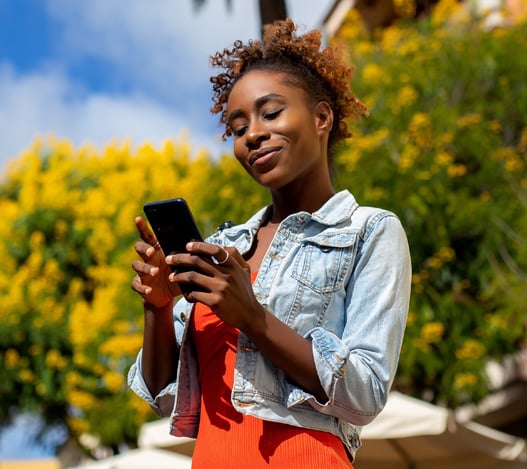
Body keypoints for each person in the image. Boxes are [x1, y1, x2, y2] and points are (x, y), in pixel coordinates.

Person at [128, 18, 411, 468]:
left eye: (271, 113)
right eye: (238, 128)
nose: (253, 134)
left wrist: (254, 319)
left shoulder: (369, 231)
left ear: (322, 117)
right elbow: (162, 395)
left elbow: (366, 393)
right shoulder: (222, 249)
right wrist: (158, 308)